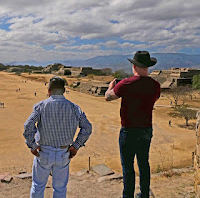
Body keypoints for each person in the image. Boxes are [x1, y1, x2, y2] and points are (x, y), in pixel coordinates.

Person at [24, 76, 92, 198]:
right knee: (60, 188)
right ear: (64, 90)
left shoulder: (41, 106)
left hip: (43, 151)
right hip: (63, 152)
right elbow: (87, 127)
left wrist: (32, 145)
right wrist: (75, 146)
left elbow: (28, 125)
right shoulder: (75, 108)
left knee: (38, 186)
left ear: (49, 90)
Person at [105, 51, 161, 198]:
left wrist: (110, 87)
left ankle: (128, 195)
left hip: (128, 130)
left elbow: (108, 98)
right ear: (148, 66)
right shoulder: (155, 85)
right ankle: (144, 194)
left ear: (134, 66)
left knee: (128, 167)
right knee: (144, 163)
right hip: (146, 130)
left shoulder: (126, 84)